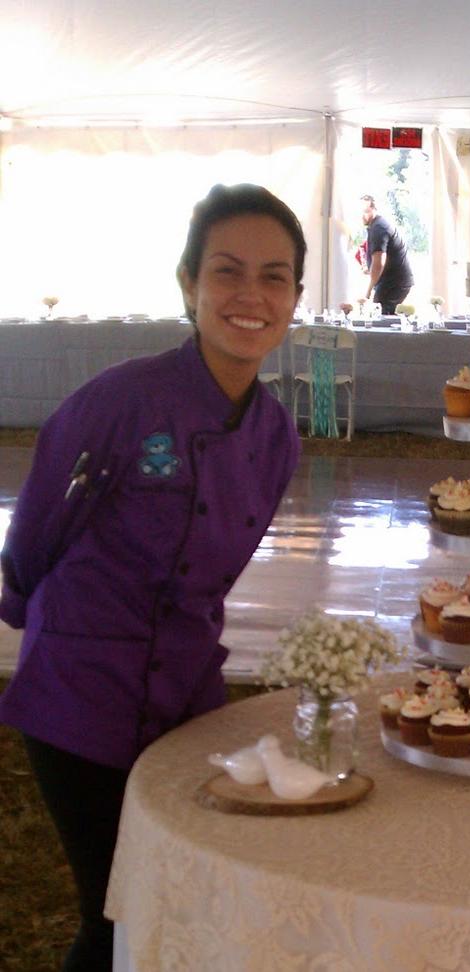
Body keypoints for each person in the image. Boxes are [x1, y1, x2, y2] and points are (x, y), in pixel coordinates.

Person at [0, 183, 304, 971]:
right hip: (82, 690)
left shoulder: (274, 435)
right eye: (228, 271)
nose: (251, 294)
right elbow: (35, 535)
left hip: (185, 696)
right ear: (189, 284)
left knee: (186, 894)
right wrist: (45, 621)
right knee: (118, 912)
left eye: (275, 276)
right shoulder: (121, 402)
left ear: (296, 297)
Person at [360, 194, 413, 315]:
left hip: (393, 283)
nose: (362, 215)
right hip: (394, 281)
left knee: (380, 316)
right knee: (382, 314)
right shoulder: (377, 225)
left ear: (374, 209)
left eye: (366, 211)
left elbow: (379, 263)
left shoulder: (379, 228)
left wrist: (367, 292)